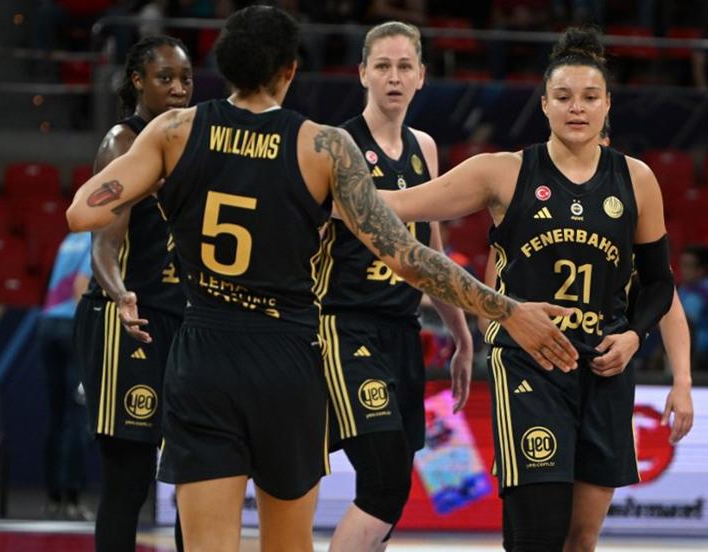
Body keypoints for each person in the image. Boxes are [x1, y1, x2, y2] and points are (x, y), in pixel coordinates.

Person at [66, 6, 577, 550]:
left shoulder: (175, 131)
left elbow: (83, 213)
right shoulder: (323, 146)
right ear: (289, 70)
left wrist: (166, 189)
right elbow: (408, 255)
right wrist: (505, 309)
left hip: (204, 353)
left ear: (225, 66)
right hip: (286, 357)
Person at [378, 26, 676, 551]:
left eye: (589, 97)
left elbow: (658, 283)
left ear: (608, 104)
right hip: (529, 364)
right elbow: (403, 204)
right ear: (544, 104)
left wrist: (633, 337)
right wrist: (319, 185)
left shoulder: (637, 179)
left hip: (604, 367)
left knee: (580, 540)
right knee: (537, 533)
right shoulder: (505, 171)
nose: (576, 108)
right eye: (563, 97)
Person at [321, 22, 474, 551]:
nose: (394, 77)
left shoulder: (424, 148)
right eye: (382, 66)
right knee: (385, 482)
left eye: (404, 66)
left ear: (422, 77)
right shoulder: (336, 144)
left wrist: (460, 334)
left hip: (403, 332)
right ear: (362, 72)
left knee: (387, 486)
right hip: (343, 328)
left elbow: (431, 251)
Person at [72, 35, 192, 552]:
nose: (178, 89)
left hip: (185, 323)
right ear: (138, 81)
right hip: (127, 320)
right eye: (165, 78)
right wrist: (120, 294)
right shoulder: (123, 142)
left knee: (200, 473)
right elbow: (103, 245)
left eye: (185, 79)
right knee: (129, 477)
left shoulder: (198, 143)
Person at [38, 230, 93, 520]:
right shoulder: (100, 237)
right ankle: (71, 498)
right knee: (77, 415)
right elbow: (81, 285)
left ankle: (52, 496)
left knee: (57, 414)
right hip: (71, 328)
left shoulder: (69, 239)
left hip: (48, 326)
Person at [677, 244, 708, 372]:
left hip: (703, 350)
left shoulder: (704, 289)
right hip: (685, 345)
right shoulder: (684, 288)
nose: (683, 270)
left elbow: (685, 321)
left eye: (688, 266)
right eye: (682, 264)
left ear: (701, 269)